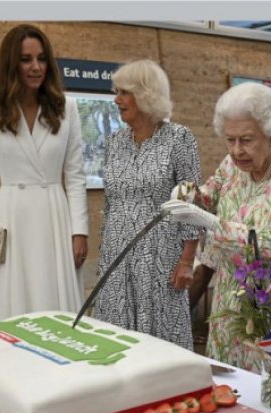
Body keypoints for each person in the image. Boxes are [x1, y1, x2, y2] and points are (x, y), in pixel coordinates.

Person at [162, 82, 271, 372]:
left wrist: (209, 222)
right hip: (230, 298)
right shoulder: (231, 164)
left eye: (246, 140)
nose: (236, 151)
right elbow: (207, 196)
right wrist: (186, 193)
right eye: (230, 140)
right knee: (230, 386)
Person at [0, 24, 88, 322]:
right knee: (10, 304)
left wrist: (79, 231)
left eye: (42, 59)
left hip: (54, 216)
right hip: (11, 215)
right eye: (26, 59)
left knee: (55, 299)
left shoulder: (66, 108)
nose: (36, 67)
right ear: (12, 64)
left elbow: (75, 176)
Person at [92, 59, 202, 350]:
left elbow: (190, 201)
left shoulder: (179, 138)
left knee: (160, 341)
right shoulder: (115, 141)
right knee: (115, 339)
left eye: (124, 92)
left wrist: (187, 260)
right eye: (117, 92)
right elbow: (111, 202)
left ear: (146, 94)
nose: (117, 100)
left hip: (160, 257)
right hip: (117, 255)